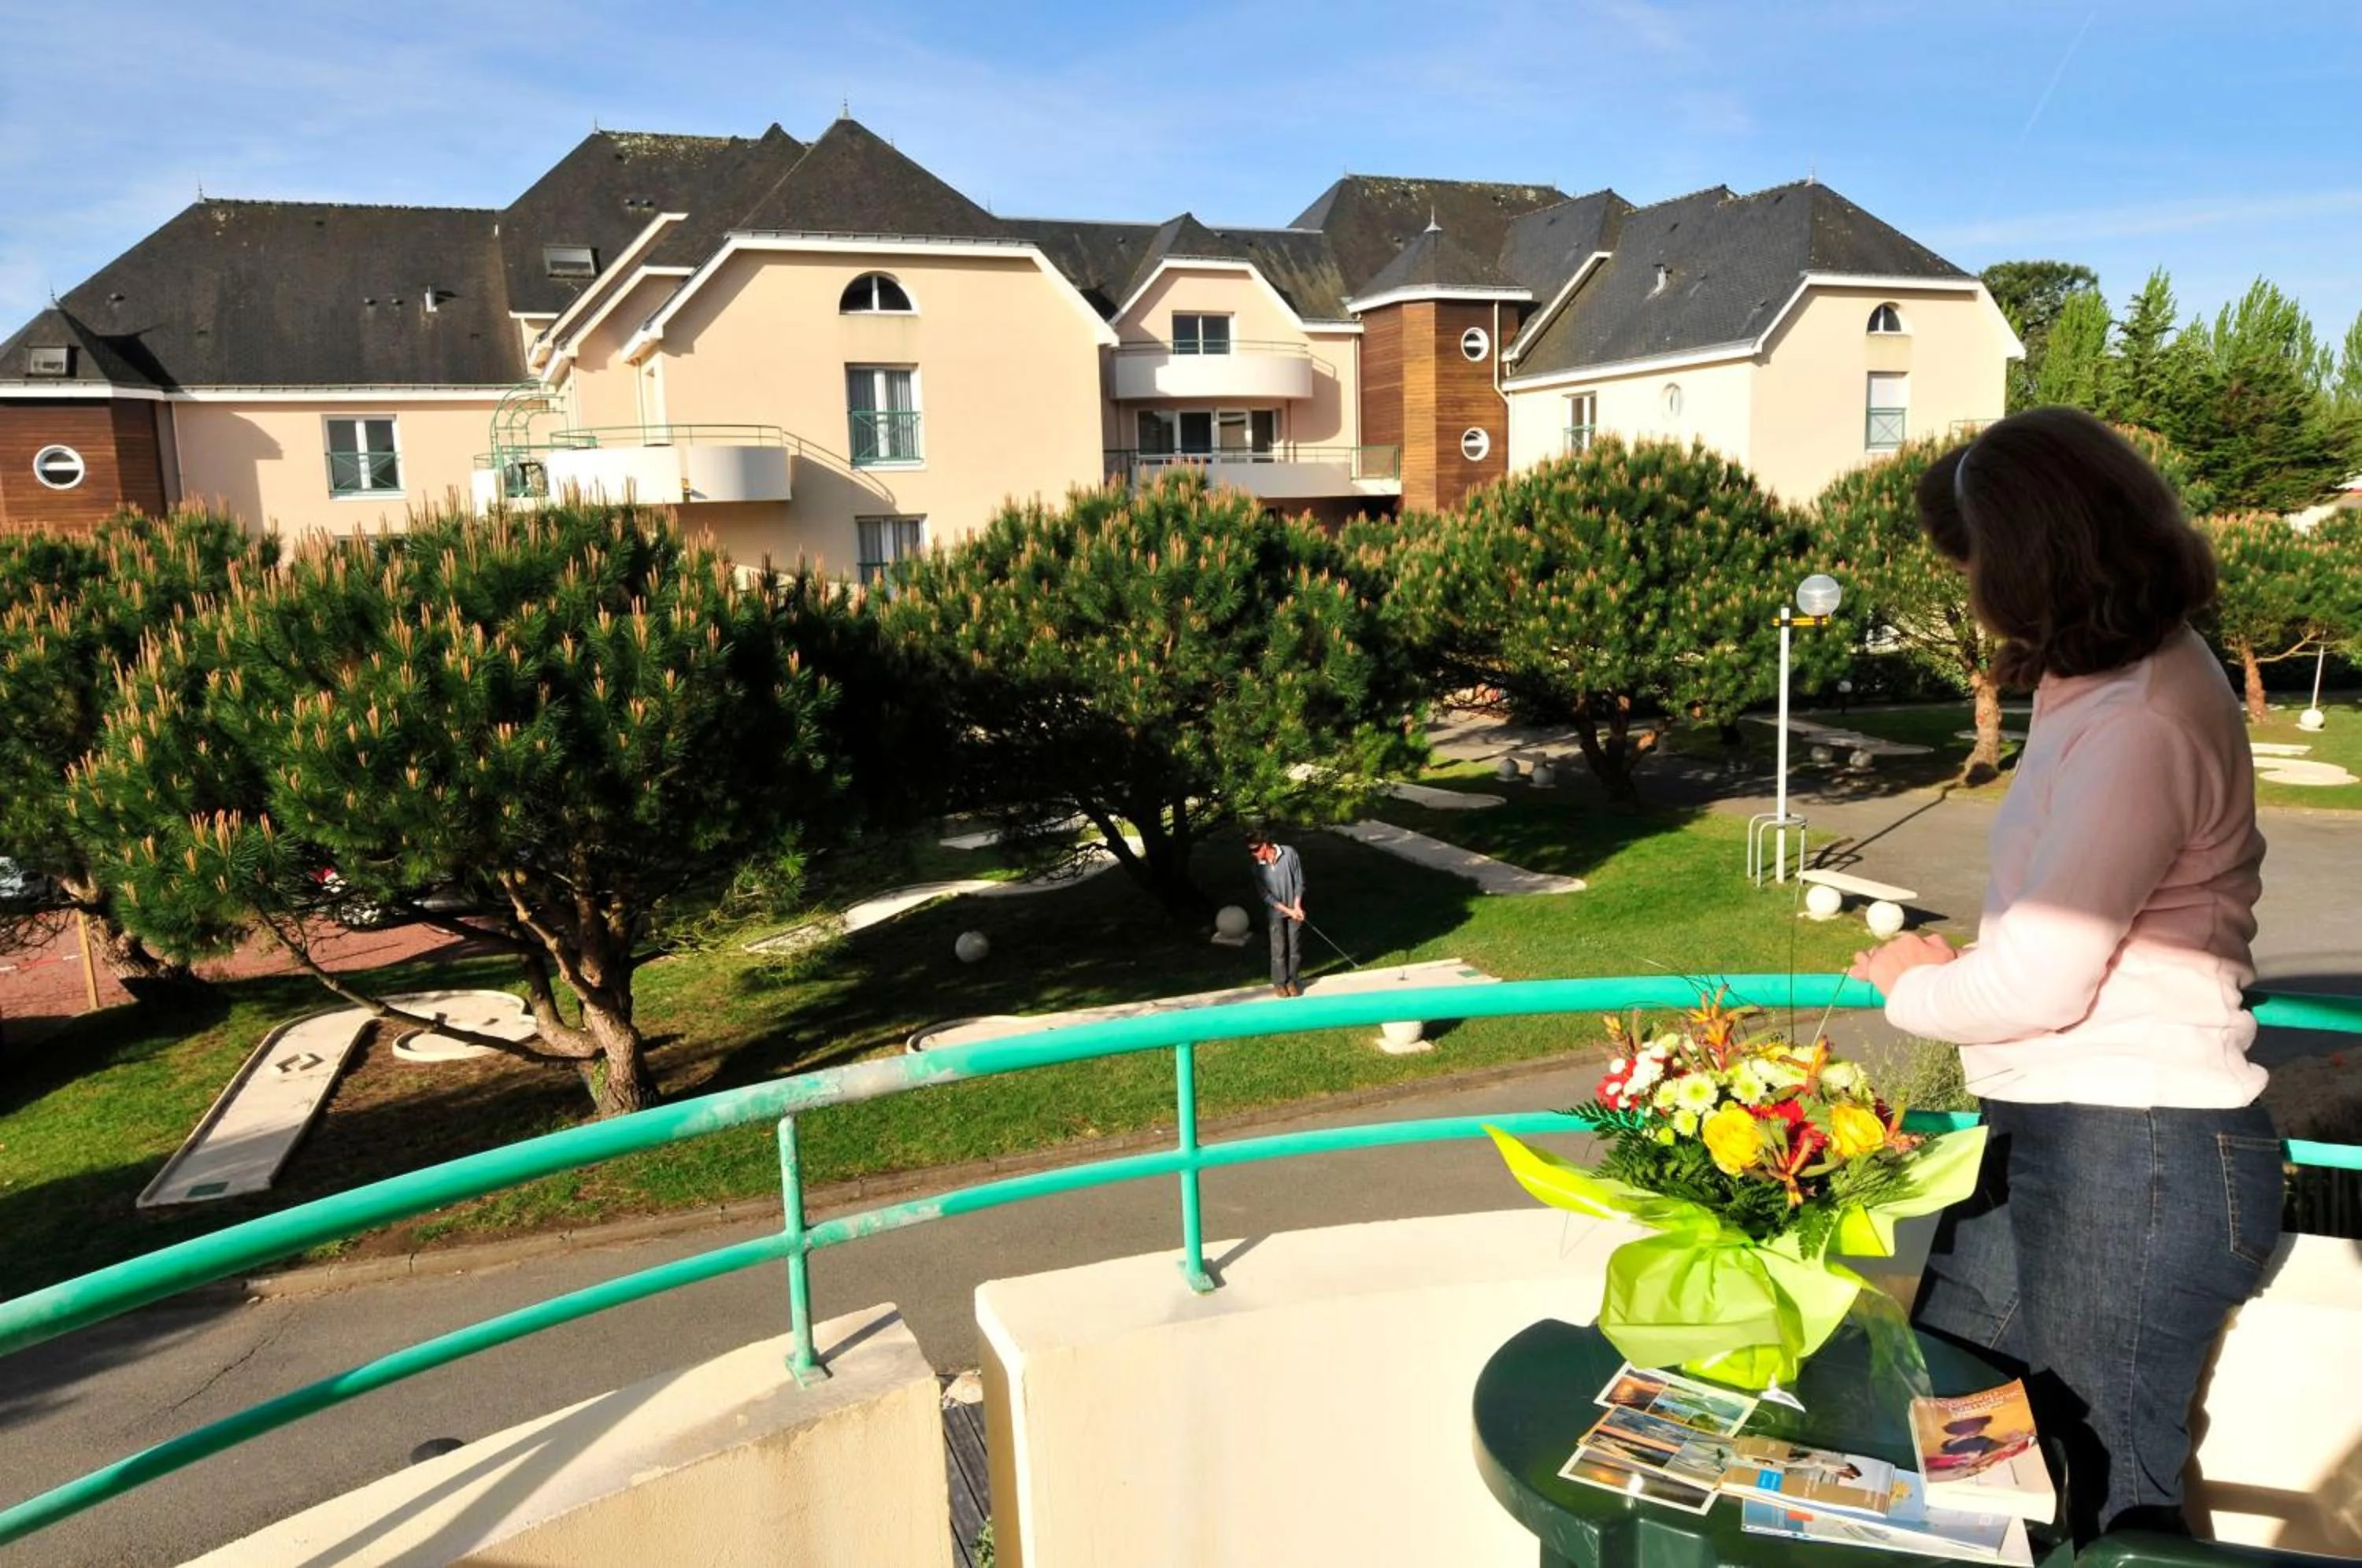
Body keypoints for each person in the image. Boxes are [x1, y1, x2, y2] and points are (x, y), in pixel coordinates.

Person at [1846, 407, 2281, 1542]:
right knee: (1964, 1418)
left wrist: (1911, 985)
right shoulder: (2110, 682)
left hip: (2133, 1143)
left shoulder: (2142, 716)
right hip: (2060, 1126)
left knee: (2099, 1488)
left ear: (2038, 560)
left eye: (1979, 566)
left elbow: (2045, 979)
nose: (1975, 594)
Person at [1246, 830, 1305, 997]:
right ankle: (1279, 983)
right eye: (1250, 851)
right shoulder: (1257, 869)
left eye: (1255, 849)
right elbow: (1266, 896)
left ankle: (1292, 981)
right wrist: (1289, 911)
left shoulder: (1289, 853)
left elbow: (1299, 882)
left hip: (1295, 909)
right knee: (1278, 949)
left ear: (1265, 845)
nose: (1253, 854)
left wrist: (1297, 906)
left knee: (1295, 948)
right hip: (1276, 913)